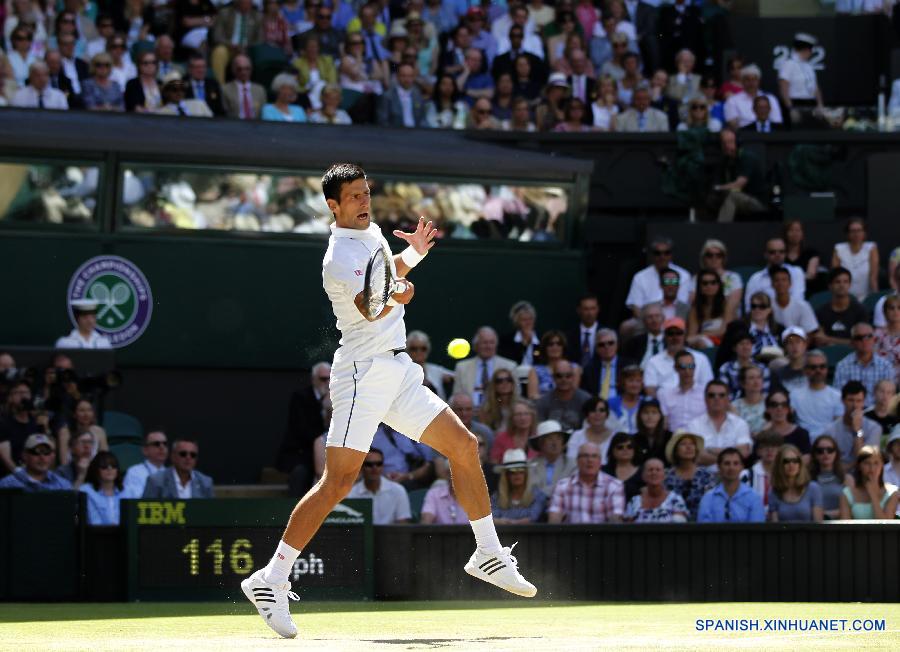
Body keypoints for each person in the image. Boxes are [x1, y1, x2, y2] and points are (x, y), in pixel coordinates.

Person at [242, 164, 535, 639]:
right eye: (353, 197)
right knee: (338, 482)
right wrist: (403, 293)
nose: (364, 202)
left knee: (464, 446)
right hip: (362, 375)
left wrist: (412, 256)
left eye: (366, 193)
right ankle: (270, 579)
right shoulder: (337, 255)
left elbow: (387, 278)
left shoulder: (372, 233)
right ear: (332, 205)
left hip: (398, 371)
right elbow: (371, 304)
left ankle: (487, 553)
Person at [548, 442, 624, 524]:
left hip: (602, 536)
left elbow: (616, 522)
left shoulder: (614, 486)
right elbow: (554, 519)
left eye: (594, 456)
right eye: (585, 456)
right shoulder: (562, 486)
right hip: (571, 536)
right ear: (577, 461)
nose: (590, 460)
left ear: (600, 461)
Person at [625, 237, 692, 321]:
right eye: (658, 253)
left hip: (677, 320)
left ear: (671, 254)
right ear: (652, 255)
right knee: (627, 327)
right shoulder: (640, 277)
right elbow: (636, 307)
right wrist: (649, 324)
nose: (662, 256)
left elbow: (684, 304)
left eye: (666, 253)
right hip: (648, 320)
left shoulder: (684, 275)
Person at [688, 380, 752, 467]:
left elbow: (743, 452)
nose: (716, 398)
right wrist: (730, 456)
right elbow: (696, 456)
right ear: (705, 399)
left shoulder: (740, 424)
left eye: (721, 395)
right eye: (711, 395)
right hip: (703, 477)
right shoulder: (694, 425)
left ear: (727, 399)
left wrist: (711, 450)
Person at [709, 128, 767, 223]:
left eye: (730, 142)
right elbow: (715, 185)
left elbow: (738, 185)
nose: (727, 146)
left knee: (732, 196)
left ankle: (720, 232)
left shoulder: (747, 158)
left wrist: (719, 188)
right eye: (724, 143)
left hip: (756, 201)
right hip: (734, 199)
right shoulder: (724, 162)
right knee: (711, 198)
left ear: (737, 142)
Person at [643, 318, 713, 396]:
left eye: (679, 333)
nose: (675, 337)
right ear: (664, 336)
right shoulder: (653, 361)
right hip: (665, 405)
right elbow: (650, 390)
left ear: (685, 335)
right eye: (670, 333)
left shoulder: (701, 359)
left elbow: (708, 387)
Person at [822, 380, 882, 468]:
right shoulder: (830, 430)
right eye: (851, 400)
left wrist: (857, 430)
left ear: (863, 402)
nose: (855, 405)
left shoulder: (874, 428)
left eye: (859, 401)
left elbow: (866, 459)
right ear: (843, 401)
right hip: (840, 473)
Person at [452, 326, 517, 407]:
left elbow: (516, 394)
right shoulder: (462, 367)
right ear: (476, 345)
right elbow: (456, 396)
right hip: (469, 413)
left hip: (499, 412)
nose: (488, 346)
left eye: (492, 343)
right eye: (485, 343)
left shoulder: (510, 366)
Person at [832, 323, 895, 406]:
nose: (864, 341)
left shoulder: (885, 366)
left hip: (877, 414)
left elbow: (889, 398)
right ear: (852, 342)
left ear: (874, 339)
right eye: (859, 338)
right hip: (851, 412)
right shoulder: (843, 366)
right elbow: (839, 398)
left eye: (868, 336)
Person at [697, 448, 766, 523]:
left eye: (736, 463)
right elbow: (704, 530)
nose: (731, 468)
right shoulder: (708, 498)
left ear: (742, 467)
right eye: (727, 463)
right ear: (719, 467)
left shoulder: (754, 498)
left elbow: (756, 530)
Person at [347, 447, 412, 524]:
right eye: (369, 464)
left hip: (391, 535)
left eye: (379, 464)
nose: (374, 468)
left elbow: (403, 525)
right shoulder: (351, 494)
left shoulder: (398, 491)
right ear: (361, 467)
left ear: (383, 466)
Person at [790, 350, 843, 438]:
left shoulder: (837, 396)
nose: (818, 370)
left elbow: (838, 426)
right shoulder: (795, 395)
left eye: (822, 366)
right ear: (805, 370)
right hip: (803, 442)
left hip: (828, 442)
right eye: (813, 367)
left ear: (826, 369)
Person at [744, 237, 807, 312]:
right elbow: (749, 307)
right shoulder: (756, 278)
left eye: (781, 252)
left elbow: (798, 301)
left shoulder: (796, 272)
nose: (777, 255)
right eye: (772, 252)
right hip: (765, 320)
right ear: (765, 254)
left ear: (785, 253)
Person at [663, 429, 714, 521]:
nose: (689, 447)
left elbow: (711, 504)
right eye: (683, 444)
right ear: (675, 450)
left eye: (692, 444)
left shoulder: (706, 475)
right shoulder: (666, 476)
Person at [838, 446, 899, 519]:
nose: (872, 468)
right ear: (859, 466)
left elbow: (885, 526)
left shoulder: (892, 493)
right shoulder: (847, 494)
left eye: (876, 463)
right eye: (867, 463)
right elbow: (845, 527)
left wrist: (873, 495)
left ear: (882, 465)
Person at [768, 444, 824, 522]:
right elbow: (775, 525)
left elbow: (818, 524)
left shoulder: (813, 488)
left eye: (795, 461)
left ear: (800, 464)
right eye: (786, 461)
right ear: (779, 464)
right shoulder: (774, 491)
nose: (791, 465)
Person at [778, 32, 823, 128]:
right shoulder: (789, 64)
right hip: (795, 104)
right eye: (810, 50)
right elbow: (783, 87)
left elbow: (815, 87)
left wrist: (819, 105)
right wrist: (791, 108)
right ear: (805, 50)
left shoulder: (809, 67)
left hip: (810, 104)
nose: (811, 53)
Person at [142, 438, 214, 499]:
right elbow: (145, 511)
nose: (188, 457)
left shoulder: (205, 482)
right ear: (173, 456)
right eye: (183, 454)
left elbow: (211, 512)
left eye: (193, 455)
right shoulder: (156, 481)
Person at [491, 449, 547, 524]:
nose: (517, 474)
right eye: (512, 471)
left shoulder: (538, 495)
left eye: (521, 470)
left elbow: (533, 517)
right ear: (506, 476)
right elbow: (492, 518)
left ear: (526, 473)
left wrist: (504, 520)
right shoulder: (496, 497)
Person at [816, 267, 869, 346]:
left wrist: (829, 339)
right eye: (837, 282)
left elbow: (861, 342)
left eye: (845, 282)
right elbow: (819, 340)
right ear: (830, 286)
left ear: (850, 285)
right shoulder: (821, 312)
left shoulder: (860, 311)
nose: (842, 285)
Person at [0, 434, 71, 492]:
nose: (42, 457)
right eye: (35, 452)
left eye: (46, 452)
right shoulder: (6, 485)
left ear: (52, 456)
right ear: (24, 455)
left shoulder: (63, 485)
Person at [625, 457, 688, 522]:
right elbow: (627, 528)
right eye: (650, 470)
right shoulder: (634, 501)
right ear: (643, 476)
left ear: (664, 475)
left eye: (658, 470)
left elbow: (680, 528)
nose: (654, 473)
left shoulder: (675, 500)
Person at [831, 217, 878, 302]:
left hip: (866, 297)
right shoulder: (839, 248)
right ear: (848, 233)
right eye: (853, 231)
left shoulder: (871, 248)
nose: (856, 234)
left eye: (859, 230)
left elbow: (873, 277)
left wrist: (875, 300)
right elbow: (835, 276)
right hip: (844, 298)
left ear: (864, 233)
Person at [658, 350, 706, 432]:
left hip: (699, 438)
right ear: (675, 368)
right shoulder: (664, 394)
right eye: (683, 367)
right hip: (673, 438)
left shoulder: (706, 393)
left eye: (691, 366)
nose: (687, 371)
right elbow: (664, 424)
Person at [723, 64, 783, 129]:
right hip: (745, 136)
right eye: (748, 79)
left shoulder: (771, 99)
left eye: (754, 79)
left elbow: (777, 122)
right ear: (742, 81)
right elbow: (733, 125)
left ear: (759, 81)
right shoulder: (733, 101)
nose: (751, 83)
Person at [537, 360, 591, 432]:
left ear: (573, 377)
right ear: (553, 377)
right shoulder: (543, 401)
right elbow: (540, 428)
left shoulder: (585, 399)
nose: (564, 379)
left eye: (568, 376)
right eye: (559, 376)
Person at [527, 419, 575, 496]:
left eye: (558, 438)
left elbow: (571, 488)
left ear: (563, 442)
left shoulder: (573, 465)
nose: (555, 443)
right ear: (541, 444)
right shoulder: (530, 465)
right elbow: (531, 489)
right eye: (549, 438)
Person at [809, 434, 851, 519]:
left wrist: (825, 514)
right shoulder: (807, 479)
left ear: (836, 453)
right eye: (820, 451)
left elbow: (853, 508)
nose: (825, 453)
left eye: (830, 450)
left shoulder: (847, 479)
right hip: (814, 526)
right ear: (815, 454)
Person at [759, 389, 812, 458]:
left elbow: (806, 458)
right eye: (774, 405)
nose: (779, 408)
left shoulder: (801, 434)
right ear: (767, 409)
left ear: (789, 409)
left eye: (784, 405)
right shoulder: (763, 434)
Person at [580, 329, 631, 401]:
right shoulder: (590, 369)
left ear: (617, 345)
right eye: (601, 345)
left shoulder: (628, 365)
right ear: (597, 349)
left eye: (610, 343)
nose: (606, 347)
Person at [770, 266, 820, 339]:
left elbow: (810, 333)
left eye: (784, 280)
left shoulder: (803, 306)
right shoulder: (767, 306)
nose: (780, 283)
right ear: (772, 284)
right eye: (777, 280)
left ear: (790, 283)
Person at [57, 398, 109, 465]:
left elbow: (105, 459)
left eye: (89, 410)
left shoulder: (99, 431)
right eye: (82, 410)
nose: (86, 414)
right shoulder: (65, 432)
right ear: (74, 414)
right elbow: (64, 462)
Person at [79, 451, 124, 525]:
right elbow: (93, 522)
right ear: (96, 469)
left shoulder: (127, 491)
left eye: (113, 465)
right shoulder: (86, 491)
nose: (109, 468)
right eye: (104, 466)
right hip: (96, 535)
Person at [566, 396, 615, 464]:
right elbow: (571, 462)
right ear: (587, 415)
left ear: (607, 414)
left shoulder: (615, 437)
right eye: (593, 410)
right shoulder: (577, 436)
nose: (597, 414)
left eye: (601, 410)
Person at [377, 62, 426, 127]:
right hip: (395, 133)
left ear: (414, 77)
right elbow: (382, 121)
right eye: (403, 76)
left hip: (416, 133)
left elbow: (422, 119)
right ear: (397, 77)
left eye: (410, 76)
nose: (407, 79)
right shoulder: (387, 96)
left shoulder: (418, 95)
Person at [406, 331, 453, 400]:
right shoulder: (401, 370)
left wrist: (450, 379)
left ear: (428, 350)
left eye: (423, 348)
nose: (419, 352)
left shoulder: (435, 370)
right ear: (407, 350)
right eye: (414, 349)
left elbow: (459, 376)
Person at [122, 430, 169, 498]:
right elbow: (135, 500)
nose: (162, 447)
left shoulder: (171, 473)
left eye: (165, 444)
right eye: (156, 444)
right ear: (145, 450)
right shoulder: (134, 472)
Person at [489, 399, 538, 464]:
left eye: (526, 414)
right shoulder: (501, 438)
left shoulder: (538, 437)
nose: (522, 418)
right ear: (512, 418)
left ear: (532, 416)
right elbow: (494, 464)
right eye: (518, 414)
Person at [740, 431, 780, 507]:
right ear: (758, 451)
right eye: (765, 446)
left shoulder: (785, 474)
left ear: (779, 450)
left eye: (774, 446)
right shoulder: (746, 475)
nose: (770, 450)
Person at [601, 432, 643, 501]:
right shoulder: (604, 472)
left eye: (630, 447)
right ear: (612, 451)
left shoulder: (643, 472)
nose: (625, 450)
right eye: (620, 447)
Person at [621, 303, 664, 369]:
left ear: (663, 319)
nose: (654, 320)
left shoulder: (671, 341)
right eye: (650, 317)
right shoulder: (633, 343)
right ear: (644, 321)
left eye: (657, 316)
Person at [479, 368, 523, 433]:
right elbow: (485, 433)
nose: (505, 383)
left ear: (513, 383)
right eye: (499, 381)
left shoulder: (521, 406)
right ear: (494, 385)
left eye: (508, 380)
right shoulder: (486, 408)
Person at [498, 300, 541, 367]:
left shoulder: (541, 340)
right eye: (524, 320)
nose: (528, 323)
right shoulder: (506, 341)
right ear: (517, 322)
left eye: (530, 319)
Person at [565, 294, 604, 367]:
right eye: (586, 309)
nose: (590, 313)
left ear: (598, 309)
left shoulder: (608, 334)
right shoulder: (569, 335)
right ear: (578, 310)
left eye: (593, 308)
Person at [223, 55, 266, 120]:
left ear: (251, 69)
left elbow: (263, 114)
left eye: (247, 69)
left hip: (256, 127)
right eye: (239, 69)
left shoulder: (260, 90)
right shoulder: (225, 89)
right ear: (233, 70)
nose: (243, 72)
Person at [783, 219, 821, 290]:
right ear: (785, 233)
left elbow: (811, 275)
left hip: (806, 289)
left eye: (798, 230)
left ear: (802, 234)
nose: (795, 233)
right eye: (791, 230)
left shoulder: (812, 253)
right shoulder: (780, 253)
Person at [731, 366, 768, 436]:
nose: (756, 381)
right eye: (751, 378)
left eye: (759, 377)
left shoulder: (771, 403)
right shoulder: (735, 406)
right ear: (743, 383)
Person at [607, 364, 643, 434]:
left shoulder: (646, 403)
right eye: (631, 381)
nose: (635, 384)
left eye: (638, 381)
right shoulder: (610, 403)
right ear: (623, 383)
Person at [634, 398, 671, 464]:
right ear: (639, 416)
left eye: (654, 412)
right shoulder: (634, 440)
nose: (650, 416)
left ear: (660, 416)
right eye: (646, 412)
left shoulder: (670, 438)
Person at [774, 327, 810, 392]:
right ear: (785, 348)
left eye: (798, 341)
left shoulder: (814, 369)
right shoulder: (779, 374)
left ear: (805, 345)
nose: (794, 345)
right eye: (790, 342)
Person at [874, 297, 900, 382]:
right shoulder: (877, 335)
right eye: (891, 308)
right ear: (885, 312)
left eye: (899, 308)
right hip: (882, 380)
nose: (896, 311)